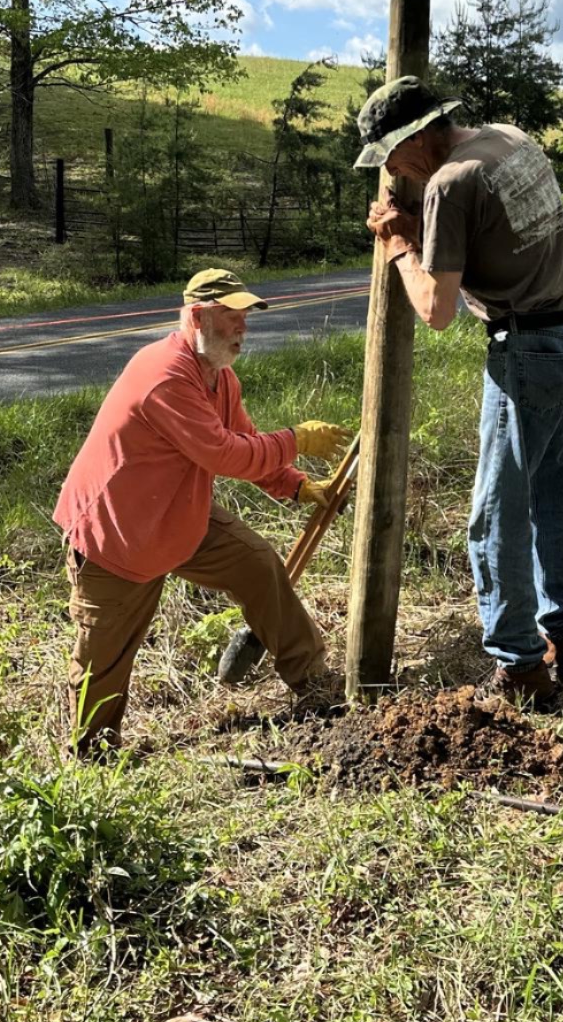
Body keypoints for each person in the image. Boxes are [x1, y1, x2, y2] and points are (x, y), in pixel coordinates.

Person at [355, 76, 563, 709]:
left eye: (392, 156)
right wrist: (421, 229)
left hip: (524, 356)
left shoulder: (448, 183)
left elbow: (435, 309)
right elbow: (495, 241)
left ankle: (519, 666)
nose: (394, 171)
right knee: (550, 503)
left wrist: (403, 246)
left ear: (417, 139)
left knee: (494, 519)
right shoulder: (510, 140)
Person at [51, 267, 351, 754]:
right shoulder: (164, 376)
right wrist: (295, 440)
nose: (243, 328)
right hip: (116, 535)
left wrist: (295, 486)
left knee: (257, 565)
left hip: (176, 515)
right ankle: (91, 760)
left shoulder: (218, 377)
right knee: (102, 664)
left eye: (245, 317)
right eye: (231, 316)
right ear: (196, 317)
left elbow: (245, 441)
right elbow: (223, 454)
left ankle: (315, 685)